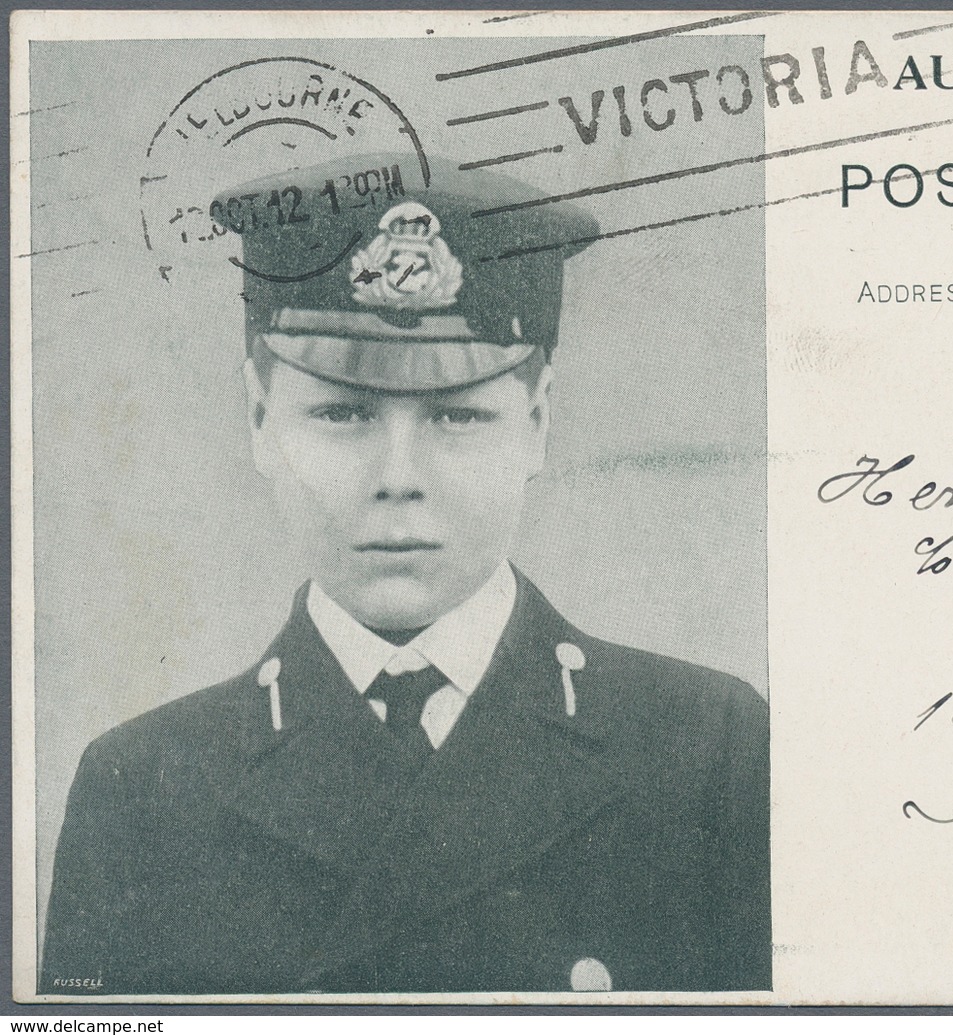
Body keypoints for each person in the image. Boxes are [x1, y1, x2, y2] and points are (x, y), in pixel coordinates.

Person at [40, 154, 770, 995]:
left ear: (535, 424)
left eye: (458, 415)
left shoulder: (707, 750)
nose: (399, 475)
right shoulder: (142, 790)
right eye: (342, 413)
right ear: (259, 421)